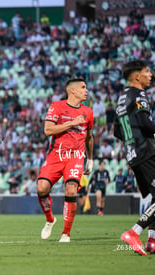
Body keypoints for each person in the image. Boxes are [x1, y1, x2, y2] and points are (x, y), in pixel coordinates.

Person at [114, 60, 155, 256]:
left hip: (132, 153)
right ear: (137, 76)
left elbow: (116, 130)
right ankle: (134, 232)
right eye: (147, 71)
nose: (150, 75)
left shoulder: (121, 98)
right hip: (145, 151)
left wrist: (131, 142)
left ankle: (152, 240)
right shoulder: (139, 94)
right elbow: (144, 122)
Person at [37, 78, 94, 243]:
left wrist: (90, 158)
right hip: (56, 155)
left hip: (75, 157)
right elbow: (48, 130)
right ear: (73, 91)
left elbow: (89, 137)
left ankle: (66, 234)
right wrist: (72, 123)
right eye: (83, 87)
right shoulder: (57, 106)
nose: (86, 90)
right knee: (42, 188)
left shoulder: (88, 112)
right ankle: (50, 219)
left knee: (71, 190)